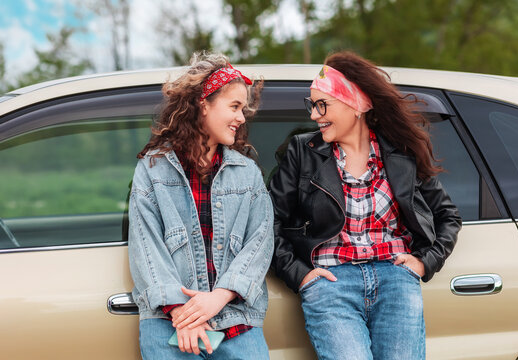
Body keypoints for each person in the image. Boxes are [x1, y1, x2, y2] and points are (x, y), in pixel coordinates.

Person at [269, 51, 462, 360]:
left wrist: (425, 262)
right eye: (312, 105)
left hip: (395, 280)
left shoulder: (401, 153)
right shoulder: (301, 152)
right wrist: (301, 275)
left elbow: (447, 216)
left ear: (355, 104)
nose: (314, 115)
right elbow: (269, 222)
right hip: (331, 283)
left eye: (322, 105)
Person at [128, 52, 273, 360]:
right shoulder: (152, 171)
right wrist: (184, 314)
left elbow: (260, 241)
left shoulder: (248, 174)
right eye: (234, 106)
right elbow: (146, 246)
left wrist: (218, 297)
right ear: (203, 104)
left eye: (243, 108)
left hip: (237, 322)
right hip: (169, 323)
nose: (242, 117)